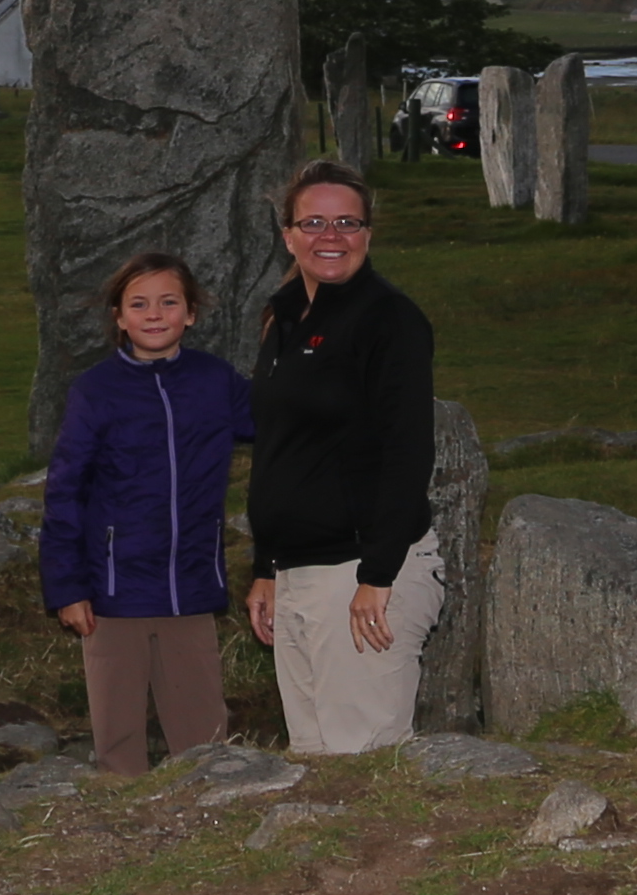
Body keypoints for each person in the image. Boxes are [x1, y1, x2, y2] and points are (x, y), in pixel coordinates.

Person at [242, 158, 442, 756]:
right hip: (296, 574)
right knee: (311, 760)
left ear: (368, 234)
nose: (331, 238)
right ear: (288, 234)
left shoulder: (390, 320)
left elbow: (409, 450)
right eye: (315, 223)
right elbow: (280, 448)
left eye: (348, 223)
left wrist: (377, 576)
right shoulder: (282, 316)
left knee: (363, 764)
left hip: (361, 574)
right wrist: (266, 566)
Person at [41, 251, 254, 777]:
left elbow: (284, 422)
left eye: (168, 302)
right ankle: (124, 834)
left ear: (192, 313)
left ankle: (206, 827)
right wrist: (67, 587)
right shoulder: (95, 390)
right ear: (118, 317)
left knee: (203, 735)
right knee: (118, 737)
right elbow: (65, 491)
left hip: (192, 587)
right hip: (114, 596)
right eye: (138, 304)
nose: (154, 314)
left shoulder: (215, 381)